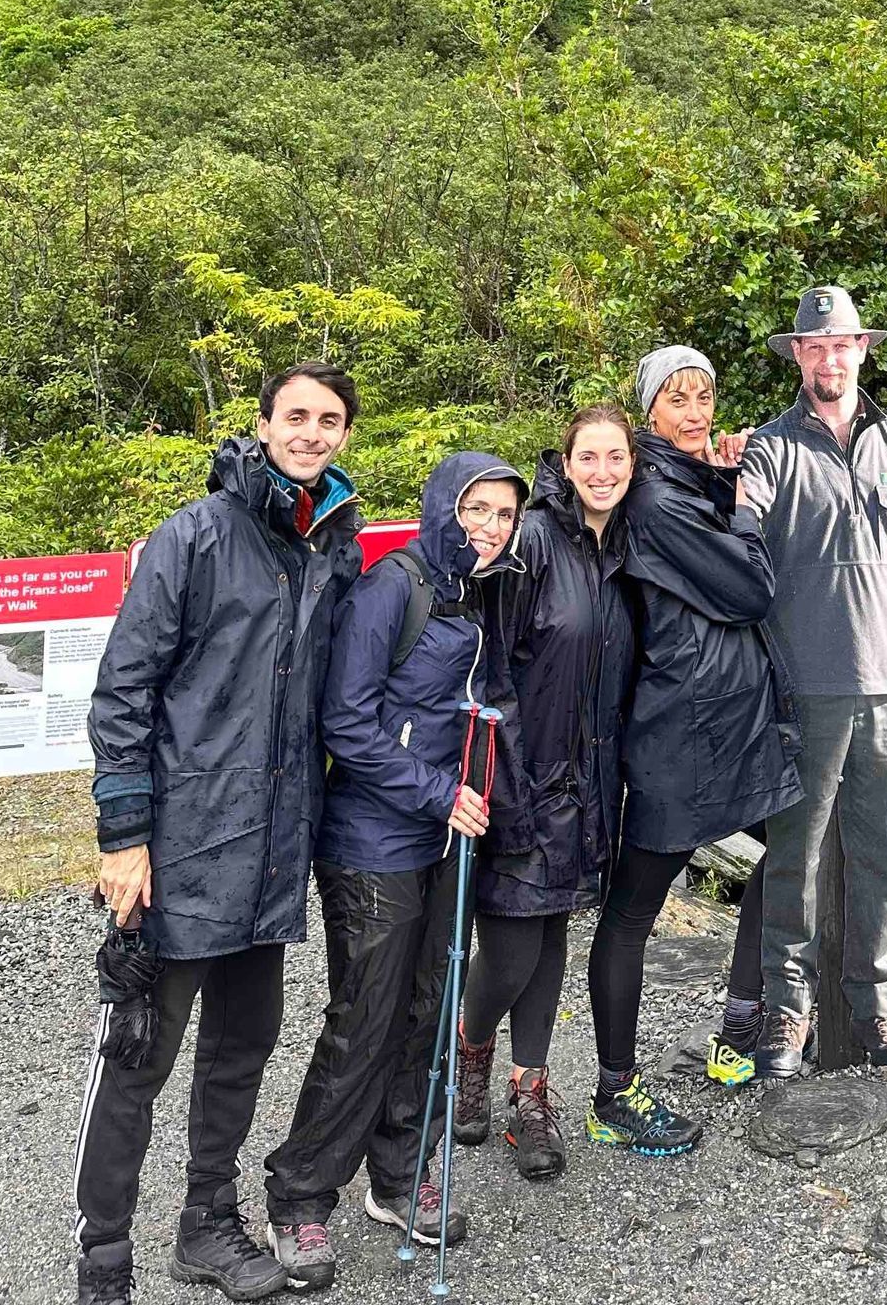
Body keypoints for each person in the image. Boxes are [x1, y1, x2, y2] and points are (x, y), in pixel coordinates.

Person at [74, 365, 366, 1305]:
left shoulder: (333, 549)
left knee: (241, 1050)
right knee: (137, 1057)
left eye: (329, 420)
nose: (310, 433)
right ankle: (103, 1258)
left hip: (274, 854)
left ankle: (206, 1225)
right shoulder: (193, 538)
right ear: (263, 424)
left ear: (345, 436)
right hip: (181, 850)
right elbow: (123, 691)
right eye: (296, 416)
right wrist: (124, 833)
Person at [261, 450, 526, 1288]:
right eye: (476, 510)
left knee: (427, 1010)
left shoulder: (470, 593)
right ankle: (300, 1197)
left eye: (504, 515)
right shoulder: (394, 587)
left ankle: (402, 1171)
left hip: (446, 834)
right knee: (365, 1020)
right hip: (374, 841)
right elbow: (348, 720)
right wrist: (436, 790)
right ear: (444, 505)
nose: (489, 527)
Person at [739, 285, 887, 1082]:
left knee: (881, 854)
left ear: (863, 349)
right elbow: (739, 528)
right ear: (797, 355)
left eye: (843, 344)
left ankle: (876, 1001)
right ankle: (787, 1010)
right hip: (805, 689)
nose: (829, 358)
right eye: (815, 345)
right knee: (794, 860)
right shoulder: (767, 449)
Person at [584, 344, 802, 1154]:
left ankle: (738, 1021)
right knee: (636, 907)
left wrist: (717, 475)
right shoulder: (651, 496)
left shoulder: (681, 479)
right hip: (680, 726)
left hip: (729, 719)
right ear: (649, 412)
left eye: (704, 394)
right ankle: (614, 1091)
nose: (695, 410)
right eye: (677, 399)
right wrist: (743, 504)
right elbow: (748, 587)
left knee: (788, 848)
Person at [454, 406, 638, 1181]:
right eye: (588, 457)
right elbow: (490, 669)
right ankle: (469, 1042)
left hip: (590, 786)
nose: (603, 471)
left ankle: (530, 1090)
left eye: (616, 458)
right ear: (566, 462)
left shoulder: (623, 544)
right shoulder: (532, 541)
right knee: (511, 948)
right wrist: (509, 782)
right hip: (524, 779)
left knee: (552, 934)